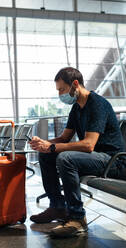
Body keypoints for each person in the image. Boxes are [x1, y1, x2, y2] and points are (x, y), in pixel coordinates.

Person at [29, 67, 124, 238]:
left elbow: (88, 145)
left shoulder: (97, 104)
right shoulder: (77, 108)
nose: (60, 95)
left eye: (62, 89)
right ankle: (58, 207)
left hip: (113, 161)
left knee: (66, 158)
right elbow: (65, 137)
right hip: (94, 159)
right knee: (46, 154)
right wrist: (44, 143)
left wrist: (53, 147)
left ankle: (77, 218)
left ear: (75, 84)